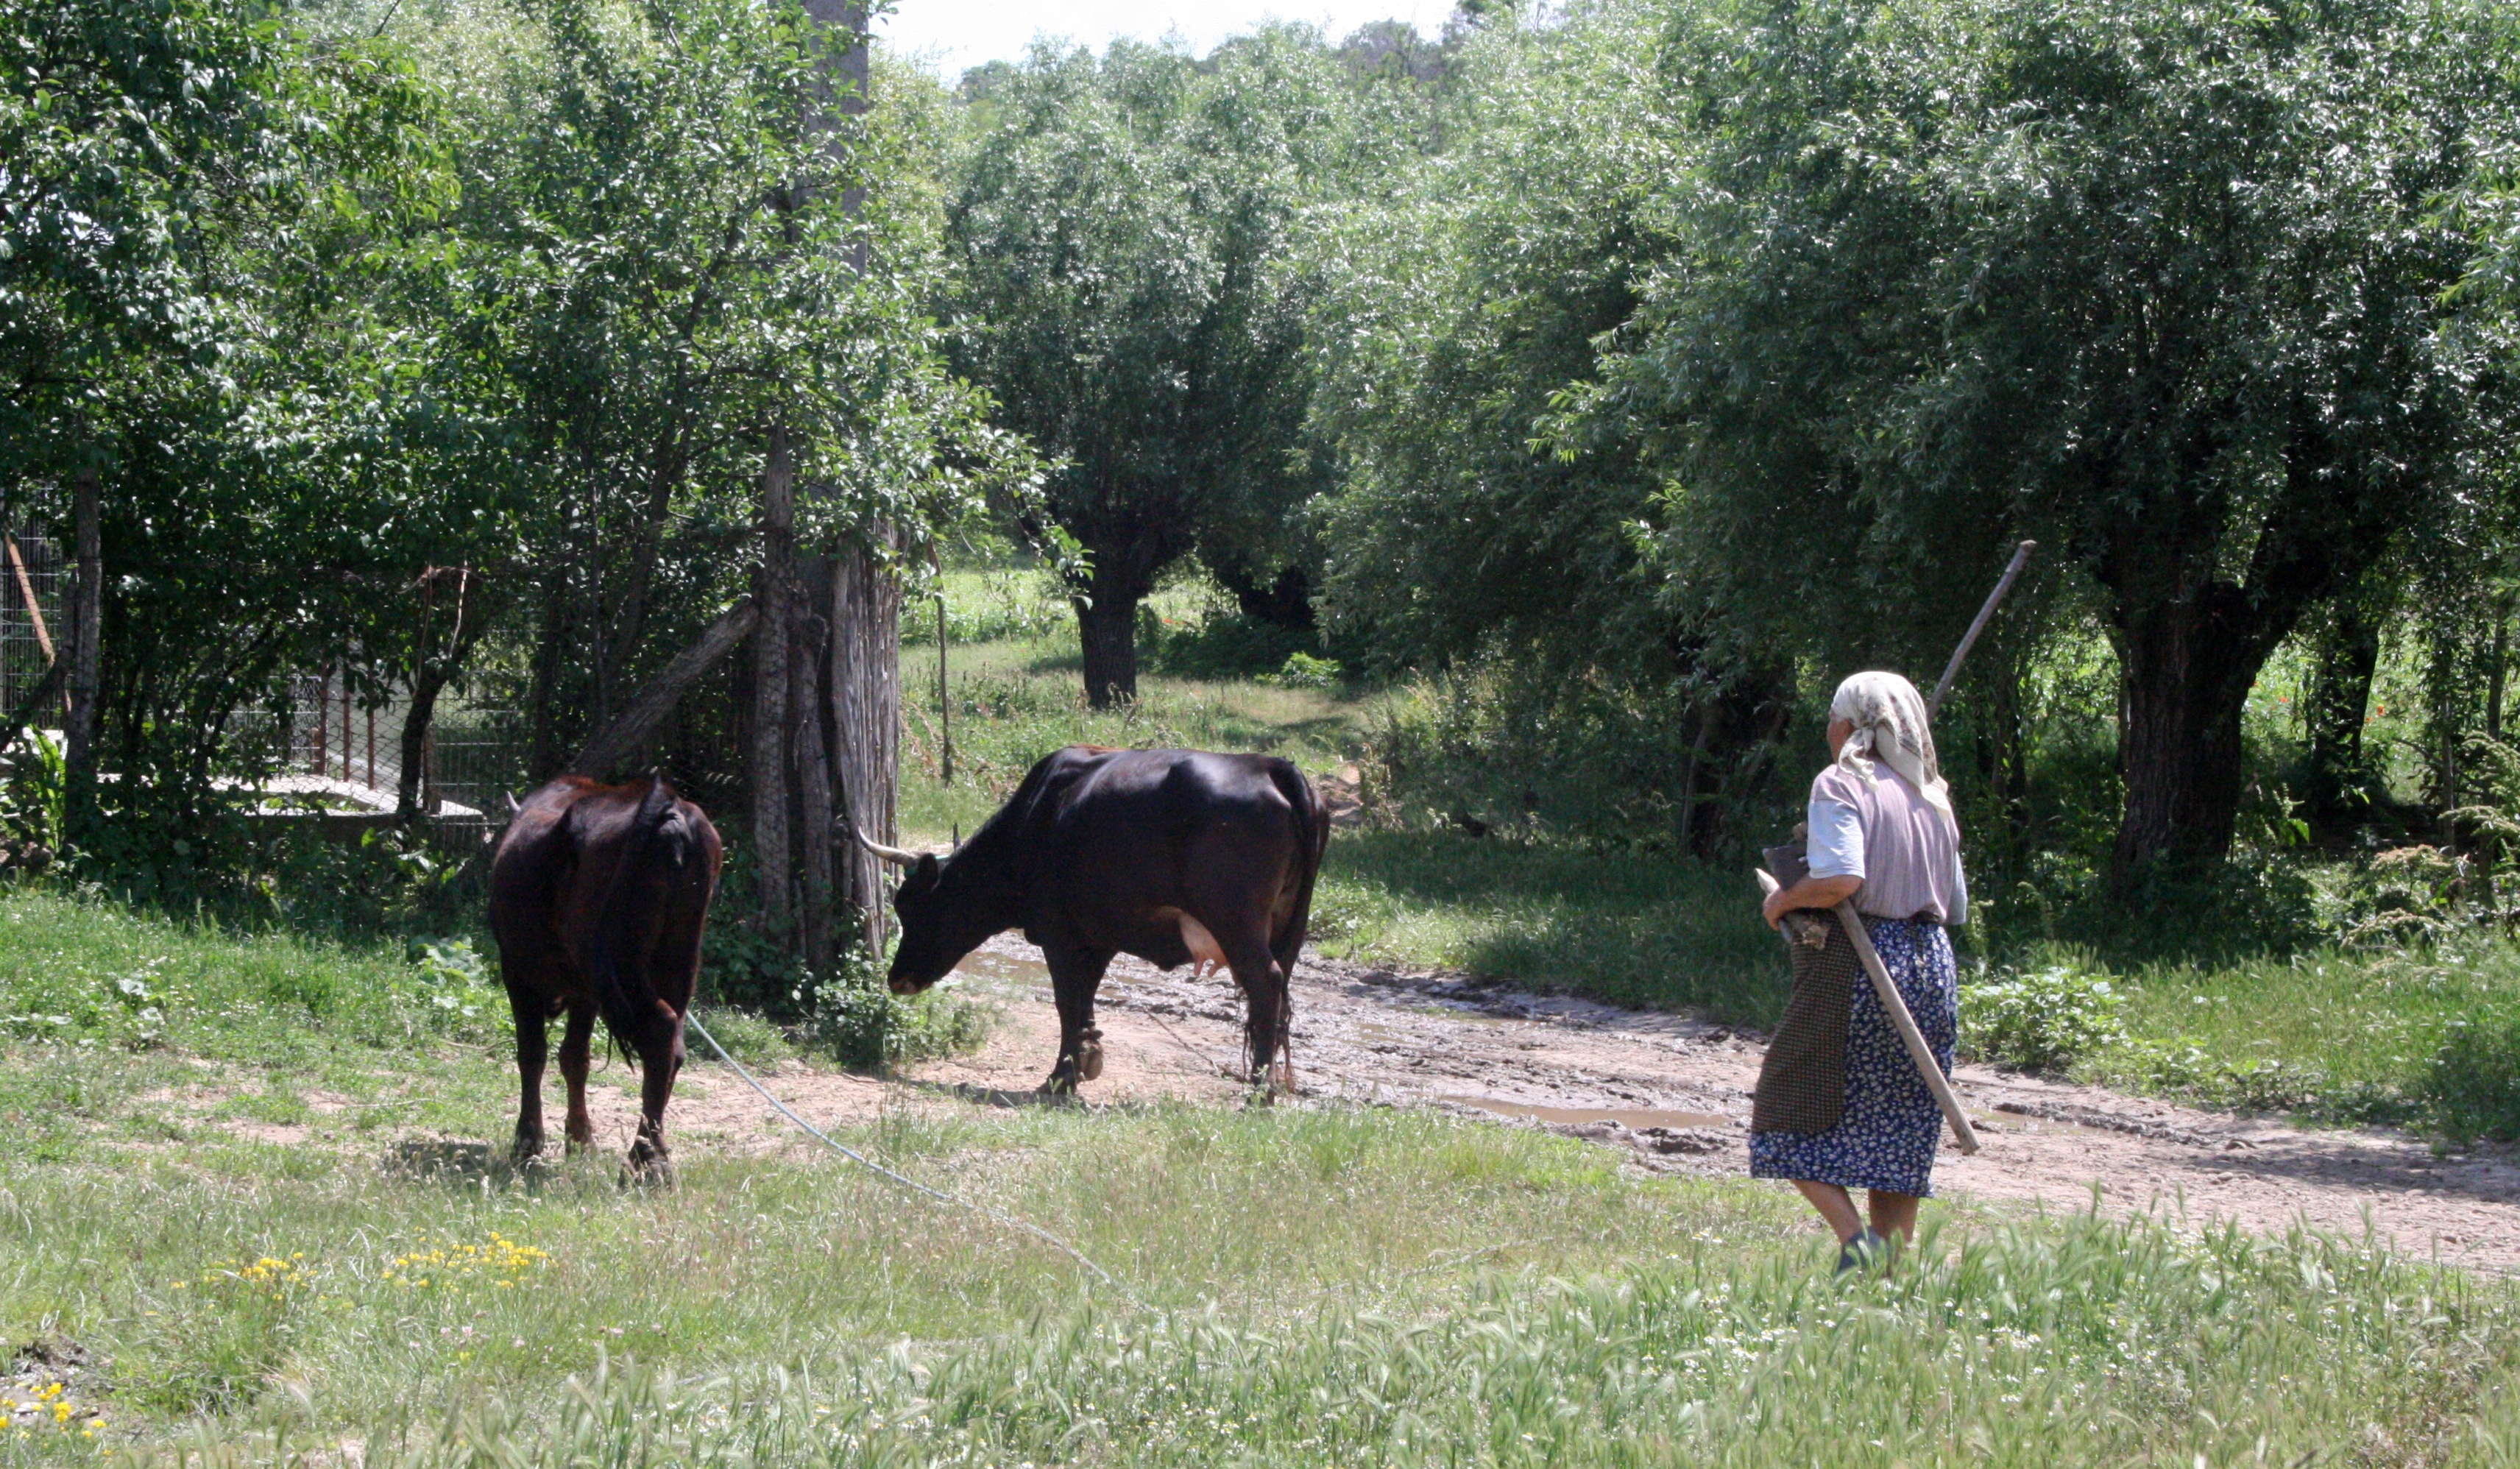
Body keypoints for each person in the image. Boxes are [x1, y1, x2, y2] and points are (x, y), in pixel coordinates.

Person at [1753, 670, 1966, 1272]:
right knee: (1897, 1128)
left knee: (1783, 1106)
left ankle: (1859, 1244)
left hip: (1863, 964)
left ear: (1851, 725)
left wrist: (1785, 901)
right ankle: (1891, 1278)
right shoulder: (1934, 794)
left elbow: (1843, 880)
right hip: (1932, 966)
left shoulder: (1841, 782)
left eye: (1831, 717)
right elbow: (1957, 905)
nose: (1827, 729)